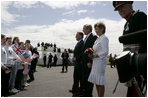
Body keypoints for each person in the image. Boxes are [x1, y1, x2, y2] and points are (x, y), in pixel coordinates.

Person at [113, 1, 147, 97]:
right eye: (118, 9)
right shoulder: (128, 22)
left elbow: (145, 39)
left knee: (139, 91)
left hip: (139, 63)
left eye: (122, 7)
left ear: (130, 5)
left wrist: (139, 61)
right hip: (130, 63)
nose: (120, 10)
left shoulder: (140, 16)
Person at [88, 22, 109, 97]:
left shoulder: (104, 38)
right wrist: (91, 55)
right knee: (96, 81)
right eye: (95, 29)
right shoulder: (97, 39)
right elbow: (95, 50)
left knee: (100, 82)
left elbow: (105, 51)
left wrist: (95, 55)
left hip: (100, 62)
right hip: (95, 62)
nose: (96, 31)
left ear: (102, 29)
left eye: (97, 29)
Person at [81, 24, 97, 97]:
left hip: (88, 62)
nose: (83, 30)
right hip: (84, 62)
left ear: (88, 29)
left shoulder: (93, 37)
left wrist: (90, 61)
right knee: (85, 78)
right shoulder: (85, 38)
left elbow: (92, 50)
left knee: (89, 79)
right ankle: (85, 93)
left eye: (83, 29)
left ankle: (89, 94)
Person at [70, 32, 84, 96]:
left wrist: (76, 58)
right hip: (76, 63)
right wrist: (74, 57)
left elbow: (82, 53)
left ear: (80, 36)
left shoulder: (82, 43)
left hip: (79, 63)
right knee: (75, 77)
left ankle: (79, 90)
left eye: (76, 35)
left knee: (78, 77)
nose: (75, 37)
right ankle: (74, 89)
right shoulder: (78, 43)